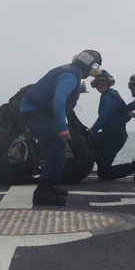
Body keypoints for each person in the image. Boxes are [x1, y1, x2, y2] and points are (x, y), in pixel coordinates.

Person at [20, 49, 103, 205]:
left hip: (37, 111)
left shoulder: (70, 73)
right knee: (57, 147)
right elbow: (59, 100)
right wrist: (62, 127)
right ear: (91, 67)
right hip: (34, 112)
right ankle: (42, 192)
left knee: (56, 148)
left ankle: (49, 186)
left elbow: (59, 87)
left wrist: (80, 89)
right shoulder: (71, 77)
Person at [89, 70, 135, 180]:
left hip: (114, 138)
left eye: (103, 82)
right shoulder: (111, 93)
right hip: (110, 135)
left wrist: (91, 131)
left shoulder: (108, 98)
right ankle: (93, 162)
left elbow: (103, 117)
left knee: (104, 174)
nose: (100, 85)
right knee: (90, 141)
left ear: (109, 83)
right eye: (97, 83)